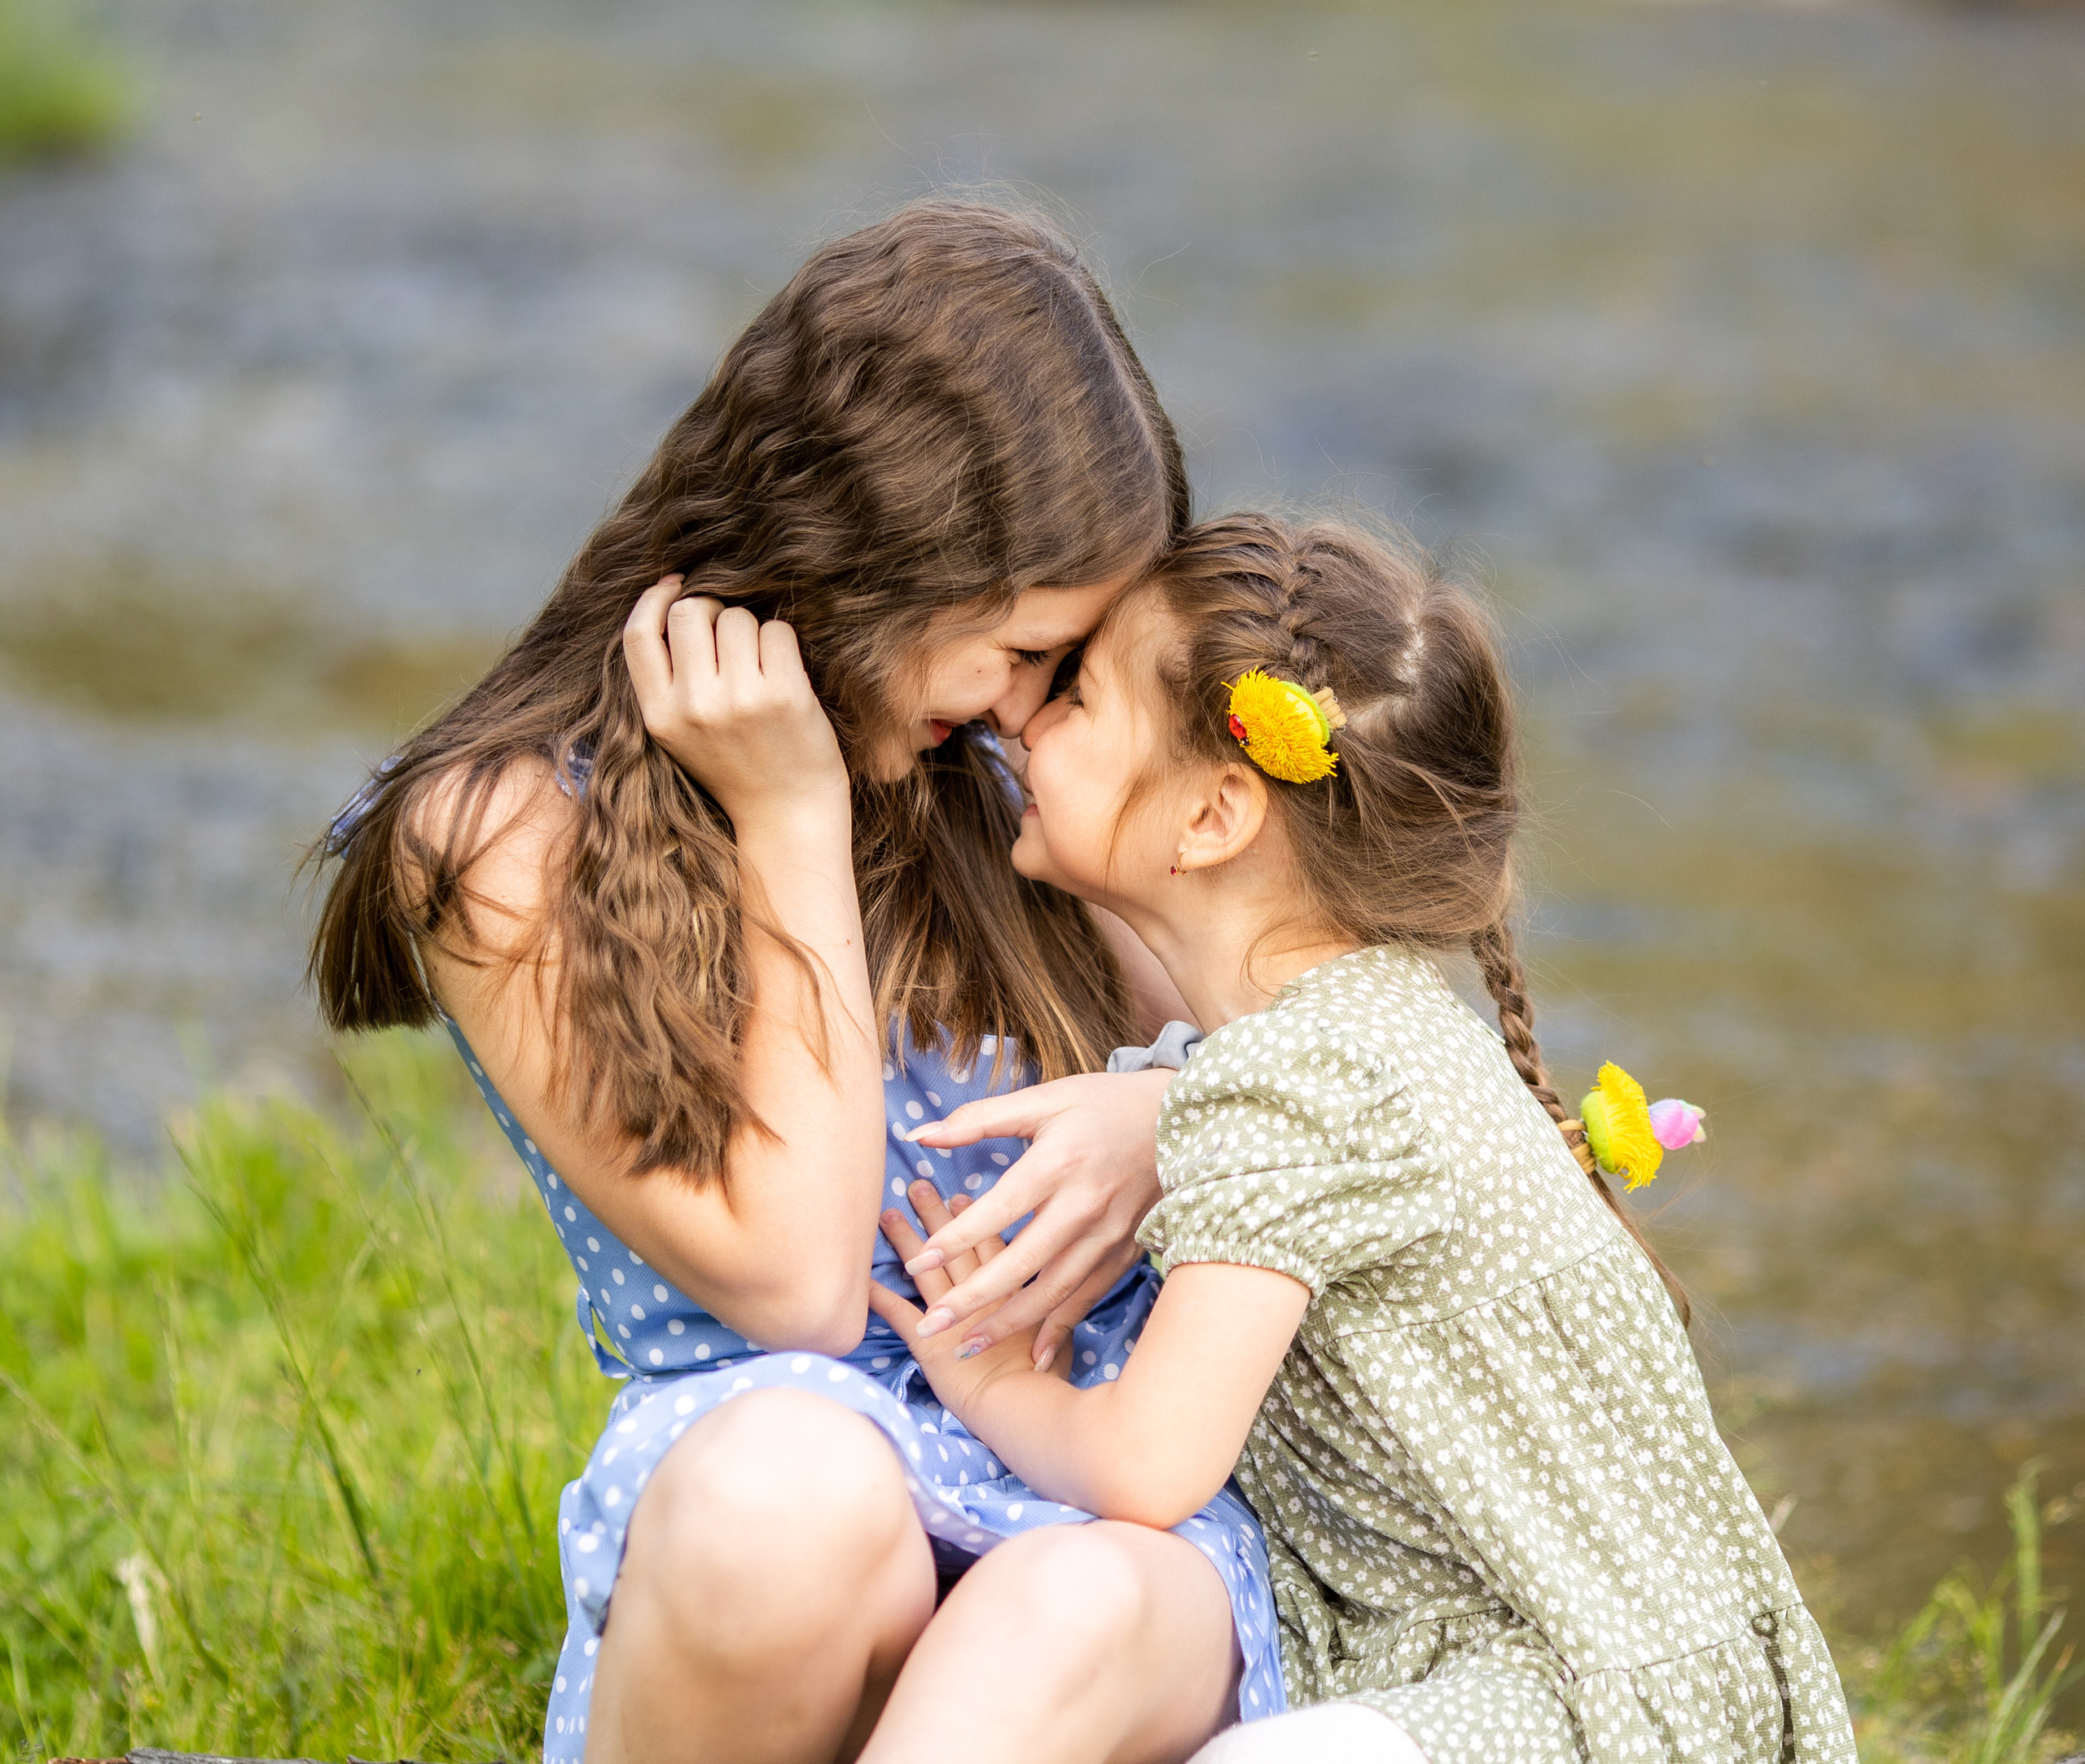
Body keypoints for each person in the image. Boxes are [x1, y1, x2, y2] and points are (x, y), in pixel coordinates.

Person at [309, 203, 1284, 1764]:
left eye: (1071, 665)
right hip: (775, 1537)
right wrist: (791, 818)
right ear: (880, 559)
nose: (1032, 710)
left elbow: (1343, 1047)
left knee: (1082, 1598)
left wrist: (1167, 1105)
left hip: (1085, 1509)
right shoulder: (505, 839)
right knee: (795, 1496)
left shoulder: (1010, 775)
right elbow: (799, 1286)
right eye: (1025, 650)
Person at [871, 512, 1860, 1764]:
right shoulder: (1383, 1022)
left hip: (1584, 1701)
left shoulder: (1290, 1077)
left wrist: (998, 1382)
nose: (1024, 719)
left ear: (1217, 815)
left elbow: (1148, 1467)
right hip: (1624, 1663)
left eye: (1079, 697)